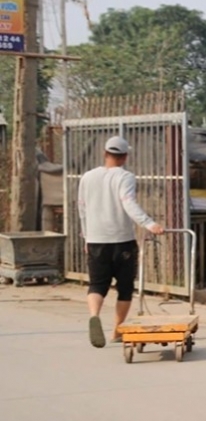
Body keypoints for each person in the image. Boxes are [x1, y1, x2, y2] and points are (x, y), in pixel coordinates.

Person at [76, 135, 164, 348]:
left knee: (97, 284)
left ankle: (94, 315)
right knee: (124, 288)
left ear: (105, 153)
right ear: (124, 157)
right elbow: (128, 202)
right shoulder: (125, 177)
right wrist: (149, 223)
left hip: (96, 239)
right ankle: (117, 330)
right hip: (122, 240)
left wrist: (86, 236)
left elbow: (82, 208)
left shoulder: (87, 177)